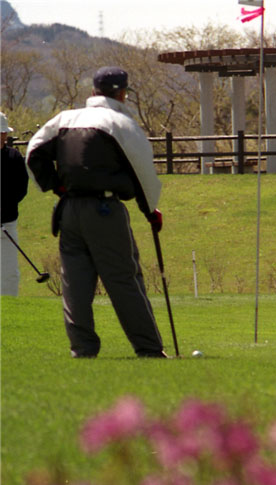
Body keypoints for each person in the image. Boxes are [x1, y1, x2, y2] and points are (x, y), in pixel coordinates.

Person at [26, 66, 167, 358]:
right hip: (105, 211)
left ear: (93, 92)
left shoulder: (65, 118)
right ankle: (149, 348)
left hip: (69, 211)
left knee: (75, 283)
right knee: (123, 279)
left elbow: (34, 151)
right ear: (122, 93)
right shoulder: (120, 122)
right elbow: (143, 172)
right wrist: (150, 210)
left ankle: (83, 349)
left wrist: (55, 187)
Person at [1, 112, 29, 296]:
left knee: (9, 273)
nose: (2, 136)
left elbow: (21, 189)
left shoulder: (14, 157)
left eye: (3, 133)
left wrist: (5, 207)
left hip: (7, 224)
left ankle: (9, 306)